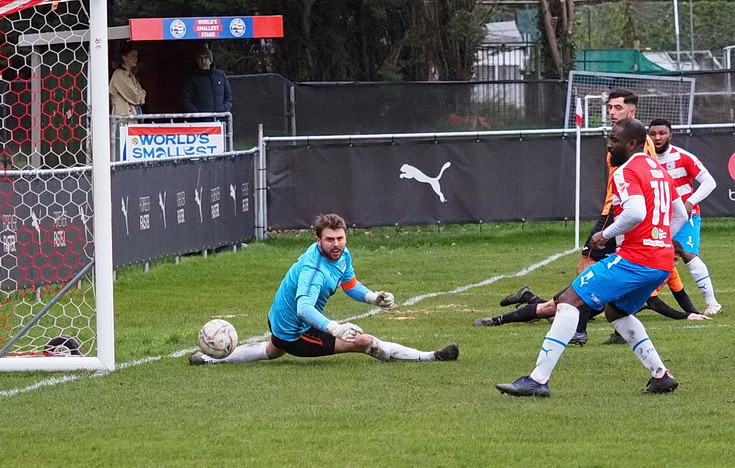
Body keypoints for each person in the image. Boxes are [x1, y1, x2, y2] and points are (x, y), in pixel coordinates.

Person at [495, 118, 688, 397]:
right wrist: (660, 239)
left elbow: (635, 213)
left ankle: (537, 380)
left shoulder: (626, 171)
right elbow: (680, 214)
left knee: (567, 301)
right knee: (617, 311)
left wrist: (605, 234)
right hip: (660, 260)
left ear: (633, 143)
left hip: (636, 258)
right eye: (609, 138)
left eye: (615, 139)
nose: (609, 144)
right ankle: (661, 376)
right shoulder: (659, 170)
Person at [190, 213, 459, 365]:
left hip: (281, 322)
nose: (336, 244)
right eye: (330, 239)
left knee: (273, 350)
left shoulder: (341, 256)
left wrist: (373, 298)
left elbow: (349, 284)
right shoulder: (313, 270)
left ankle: (210, 360)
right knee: (363, 341)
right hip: (296, 332)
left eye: (340, 238)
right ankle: (431, 357)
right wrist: (335, 328)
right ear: (318, 240)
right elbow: (304, 308)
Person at [500, 89, 657, 344]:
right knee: (601, 274)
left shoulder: (637, 144)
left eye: (618, 107)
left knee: (587, 270)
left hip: (615, 213)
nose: (611, 112)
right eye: (610, 107)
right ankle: (549, 308)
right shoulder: (623, 140)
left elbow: (640, 188)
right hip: (617, 212)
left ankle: (577, 326)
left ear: (632, 112)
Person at [477, 239, 710, 345]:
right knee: (552, 310)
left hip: (601, 301)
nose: (674, 263)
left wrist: (693, 312)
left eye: (677, 260)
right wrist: (685, 316)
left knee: (555, 313)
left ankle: (527, 297)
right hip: (595, 289)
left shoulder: (666, 271)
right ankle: (496, 321)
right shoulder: (647, 268)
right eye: (672, 258)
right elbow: (655, 303)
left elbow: (679, 295)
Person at [648, 118, 721, 315]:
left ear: (670, 135)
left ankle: (712, 302)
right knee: (654, 256)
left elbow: (709, 182)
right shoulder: (645, 159)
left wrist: (689, 202)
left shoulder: (683, 157)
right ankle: (644, 297)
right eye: (653, 134)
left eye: (662, 133)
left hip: (685, 216)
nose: (657, 137)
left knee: (688, 254)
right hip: (658, 217)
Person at [182, 46, 233, 114]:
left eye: (206, 58)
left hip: (220, 120)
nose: (203, 61)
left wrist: (225, 110)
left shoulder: (221, 75)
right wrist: (197, 114)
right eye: (200, 58)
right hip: (202, 122)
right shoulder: (192, 79)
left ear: (211, 61)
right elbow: (186, 99)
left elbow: (228, 96)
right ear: (196, 61)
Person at [109, 45, 146, 116]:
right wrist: (142, 93)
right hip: (124, 118)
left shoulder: (132, 75)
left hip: (132, 115)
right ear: (124, 57)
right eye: (133, 56)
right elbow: (136, 97)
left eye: (136, 56)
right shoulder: (119, 75)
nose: (136, 59)